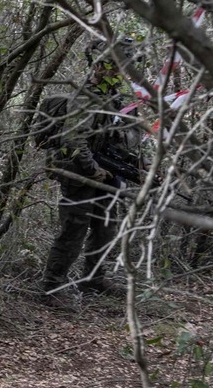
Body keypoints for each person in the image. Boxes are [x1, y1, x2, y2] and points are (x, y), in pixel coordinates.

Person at [39, 43, 142, 308]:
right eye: (114, 66)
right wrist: (93, 169)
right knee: (74, 229)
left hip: (102, 170)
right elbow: (74, 138)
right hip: (79, 171)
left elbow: (113, 136)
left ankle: (93, 279)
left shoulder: (113, 97)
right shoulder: (84, 96)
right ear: (98, 66)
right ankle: (51, 287)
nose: (120, 72)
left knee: (105, 226)